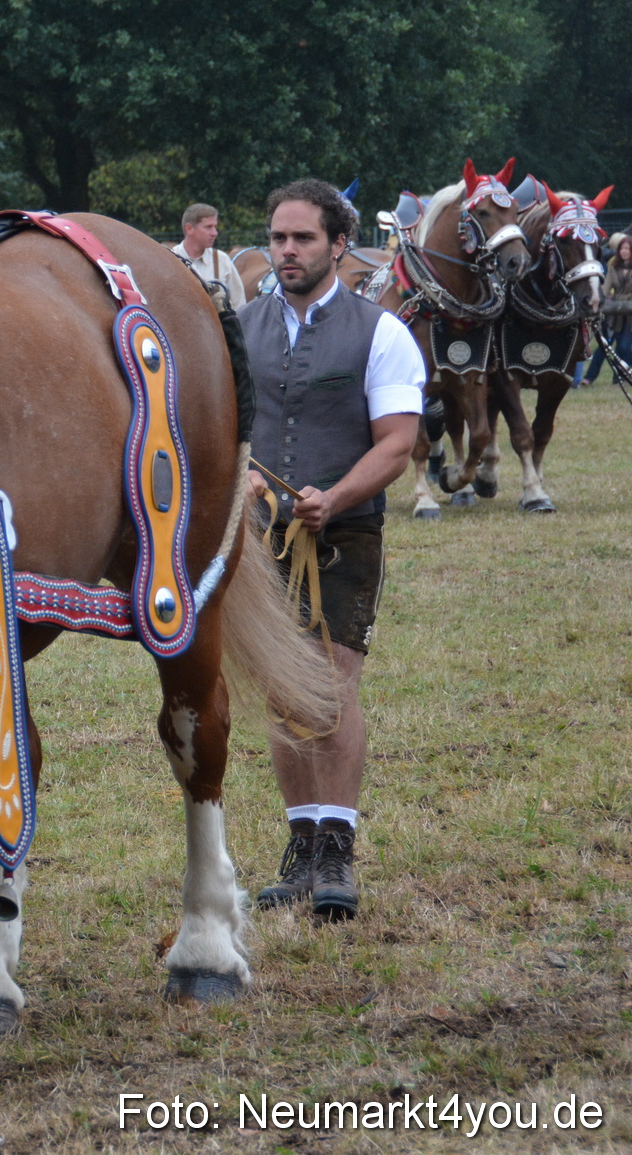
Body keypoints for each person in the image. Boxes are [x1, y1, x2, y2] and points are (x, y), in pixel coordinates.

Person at [240, 179, 424, 921]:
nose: (287, 250)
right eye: (279, 238)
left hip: (346, 530)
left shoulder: (380, 332)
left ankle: (338, 853)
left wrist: (335, 496)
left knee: (331, 684)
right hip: (258, 536)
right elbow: (222, 426)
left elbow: (399, 443)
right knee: (284, 692)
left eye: (303, 238)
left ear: (337, 244)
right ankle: (302, 848)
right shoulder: (240, 325)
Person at [171, 202, 247, 309]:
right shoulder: (170, 259)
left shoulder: (222, 260)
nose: (214, 233)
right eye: (208, 227)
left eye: (215, 227)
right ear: (189, 229)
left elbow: (239, 304)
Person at [582, 235, 632, 385]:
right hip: (615, 314)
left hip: (630, 315)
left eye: (627, 249)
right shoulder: (613, 267)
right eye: (621, 248)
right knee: (605, 345)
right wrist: (598, 298)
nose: (624, 251)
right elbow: (606, 285)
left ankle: (620, 377)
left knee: (624, 346)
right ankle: (592, 377)